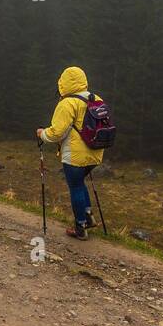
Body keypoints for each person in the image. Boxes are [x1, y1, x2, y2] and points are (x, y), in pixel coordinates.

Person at [36, 66, 105, 240]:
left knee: (75, 187)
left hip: (75, 154)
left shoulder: (67, 103)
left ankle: (80, 227)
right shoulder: (95, 98)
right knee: (80, 183)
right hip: (96, 152)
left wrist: (42, 134)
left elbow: (57, 132)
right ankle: (88, 217)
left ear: (64, 82)